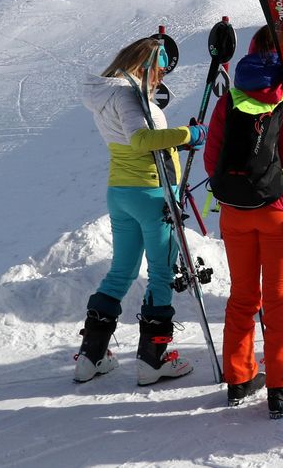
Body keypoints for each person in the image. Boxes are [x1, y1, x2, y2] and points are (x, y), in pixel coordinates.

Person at [204, 25, 283, 418]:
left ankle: (239, 378)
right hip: (279, 214)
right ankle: (282, 387)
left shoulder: (229, 102)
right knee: (277, 302)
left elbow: (212, 161)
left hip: (233, 214)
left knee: (243, 297)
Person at [75, 36, 202, 385]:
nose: (161, 77)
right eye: (159, 69)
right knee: (161, 273)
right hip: (151, 192)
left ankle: (91, 356)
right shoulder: (127, 95)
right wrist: (188, 133)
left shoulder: (105, 94)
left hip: (121, 191)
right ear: (146, 64)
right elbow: (142, 140)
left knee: (122, 272)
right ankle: (152, 360)